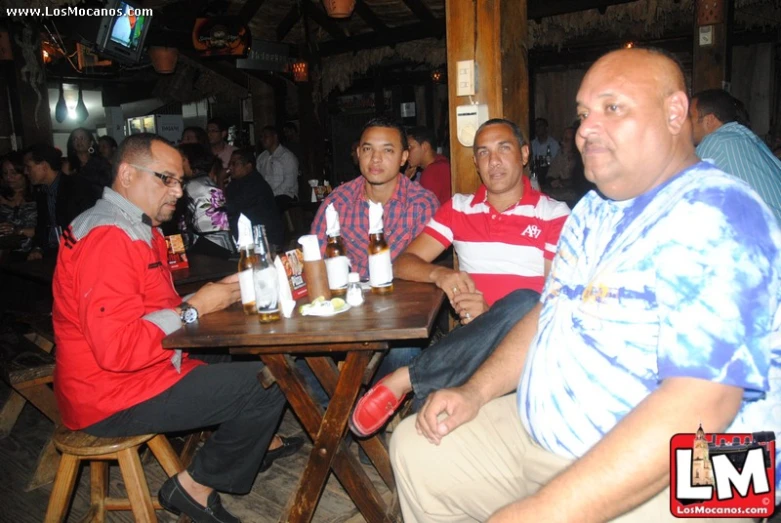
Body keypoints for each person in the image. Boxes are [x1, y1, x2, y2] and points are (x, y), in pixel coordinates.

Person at [390, 48, 780, 522]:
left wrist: (546, 510)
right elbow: (545, 313)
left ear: (676, 112)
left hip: (693, 467)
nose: (587, 128)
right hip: (553, 436)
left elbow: (705, 403)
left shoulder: (716, 212)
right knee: (420, 445)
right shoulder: (593, 211)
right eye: (582, 114)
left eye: (612, 108)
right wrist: (475, 391)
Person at [52, 133, 292, 523]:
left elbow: (152, 310)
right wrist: (196, 308)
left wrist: (218, 293)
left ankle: (251, 443)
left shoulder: (133, 225)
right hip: (112, 397)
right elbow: (117, 349)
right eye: (166, 179)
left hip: (134, 374)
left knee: (240, 351)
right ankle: (194, 488)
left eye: (181, 180)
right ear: (127, 174)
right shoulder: (109, 238)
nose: (178, 191)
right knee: (270, 380)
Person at [350, 119, 569, 437]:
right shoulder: (459, 209)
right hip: (470, 347)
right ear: (476, 163)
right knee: (431, 430)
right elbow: (403, 263)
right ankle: (416, 421)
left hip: (528, 353)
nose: (493, 161)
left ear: (524, 154)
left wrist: (491, 314)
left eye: (503, 149)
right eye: (483, 152)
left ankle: (405, 379)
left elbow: (555, 303)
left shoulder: (554, 214)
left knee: (528, 301)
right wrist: (441, 274)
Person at [311, 116, 439, 395]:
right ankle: (348, 401)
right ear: (358, 153)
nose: (376, 159)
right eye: (368, 149)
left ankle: (359, 400)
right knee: (296, 362)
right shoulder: (337, 202)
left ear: (405, 157)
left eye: (388, 150)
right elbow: (316, 264)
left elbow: (418, 272)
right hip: (343, 313)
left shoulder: (421, 204)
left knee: (405, 350)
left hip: (397, 313)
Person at [690, 89, 781, 224]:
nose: (684, 124)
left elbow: (687, 193)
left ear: (709, 120)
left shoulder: (716, 141)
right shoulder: (749, 139)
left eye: (690, 117)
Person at [24, 144, 93, 260]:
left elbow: (86, 225)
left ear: (44, 166)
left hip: (79, 254)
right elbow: (43, 226)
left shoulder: (76, 187)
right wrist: (38, 247)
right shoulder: (42, 191)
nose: (26, 172)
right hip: (55, 253)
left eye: (29, 167)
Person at [179, 143, 234, 258]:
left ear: (192, 161)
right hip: (219, 246)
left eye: (182, 159)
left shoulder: (193, 186)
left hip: (207, 249)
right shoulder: (204, 182)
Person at [225, 148, 284, 248]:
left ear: (248, 166)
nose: (230, 167)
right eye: (230, 164)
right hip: (248, 237)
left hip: (265, 241)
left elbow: (230, 208)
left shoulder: (255, 184)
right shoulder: (235, 184)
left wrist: (219, 180)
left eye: (235, 164)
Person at [0, 152, 36, 257]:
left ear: (25, 172)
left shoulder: (39, 196)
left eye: (14, 173)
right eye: (5, 173)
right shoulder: (2, 197)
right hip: (7, 252)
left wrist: (17, 230)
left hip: (35, 251)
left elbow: (45, 229)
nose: (9, 177)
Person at [256, 125, 299, 213]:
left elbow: (289, 182)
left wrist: (271, 194)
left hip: (286, 194)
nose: (262, 139)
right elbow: (257, 178)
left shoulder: (287, 156)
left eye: (266, 136)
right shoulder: (261, 157)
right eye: (261, 137)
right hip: (266, 195)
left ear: (275, 137)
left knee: (272, 205)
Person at [406, 126, 452, 205]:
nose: (407, 153)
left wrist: (405, 182)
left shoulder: (432, 172)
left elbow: (420, 209)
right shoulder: (441, 162)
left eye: (410, 147)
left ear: (425, 146)